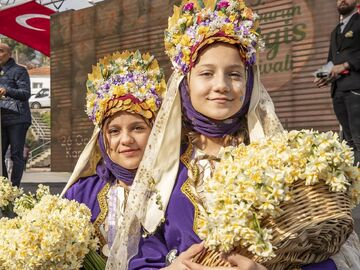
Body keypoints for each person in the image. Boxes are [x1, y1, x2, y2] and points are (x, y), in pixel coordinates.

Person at [106, 1, 360, 270]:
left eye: (234, 74)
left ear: (249, 83)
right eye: (206, 73)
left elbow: (326, 247)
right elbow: (140, 250)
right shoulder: (163, 165)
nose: (221, 86)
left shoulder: (281, 162)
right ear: (185, 82)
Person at [60, 50, 166, 258]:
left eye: (137, 128)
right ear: (101, 138)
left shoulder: (174, 190)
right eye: (114, 131)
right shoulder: (81, 195)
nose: (126, 140)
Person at [315, 0, 360, 166]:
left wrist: (346, 66)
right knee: (347, 140)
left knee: (358, 138)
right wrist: (323, 75)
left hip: (356, 89)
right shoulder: (335, 31)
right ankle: (352, 183)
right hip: (338, 91)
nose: (342, 0)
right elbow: (331, 61)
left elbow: (343, 63)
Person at [0, 43, 31, 187]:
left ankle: (15, 187)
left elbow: (25, 94)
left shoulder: (20, 71)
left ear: (9, 54)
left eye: (1, 51)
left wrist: (6, 90)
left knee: (16, 155)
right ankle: (5, 189)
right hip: (2, 118)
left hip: (18, 118)